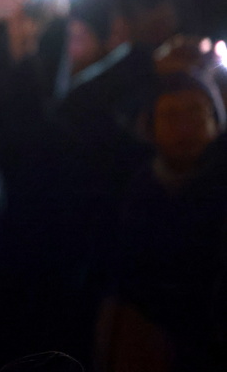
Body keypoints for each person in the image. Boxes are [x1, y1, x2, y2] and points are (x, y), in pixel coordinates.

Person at [97, 72, 227, 372]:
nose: (184, 128)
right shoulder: (134, 194)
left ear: (216, 122)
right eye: (170, 116)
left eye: (195, 112)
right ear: (150, 128)